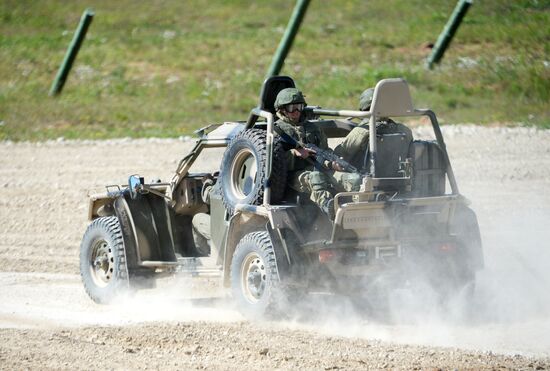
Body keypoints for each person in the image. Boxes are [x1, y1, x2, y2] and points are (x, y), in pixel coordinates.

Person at [273, 88, 361, 219]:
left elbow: (324, 151)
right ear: (282, 109)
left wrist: (332, 164)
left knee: (354, 179)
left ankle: (358, 211)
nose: (296, 111)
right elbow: (273, 160)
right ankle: (328, 207)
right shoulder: (277, 130)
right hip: (293, 175)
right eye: (292, 108)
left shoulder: (313, 128)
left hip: (319, 168)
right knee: (316, 177)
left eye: (299, 107)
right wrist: (294, 153)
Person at [333, 88, 413, 170]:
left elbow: (337, 155)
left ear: (363, 107)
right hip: (400, 180)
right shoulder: (404, 130)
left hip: (365, 180)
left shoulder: (361, 131)